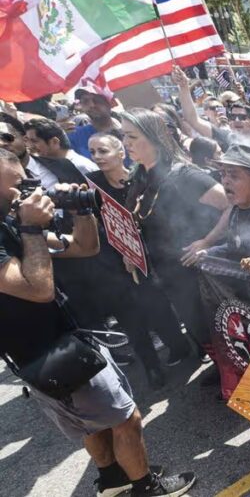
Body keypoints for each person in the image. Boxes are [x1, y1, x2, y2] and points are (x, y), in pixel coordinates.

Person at [0, 148, 195, 496]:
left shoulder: (7, 225)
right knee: (126, 418)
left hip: (59, 341)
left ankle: (113, 479)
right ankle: (146, 487)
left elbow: (82, 247)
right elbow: (39, 289)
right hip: (43, 351)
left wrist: (81, 209)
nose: (30, 190)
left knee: (92, 423)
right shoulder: (13, 231)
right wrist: (31, 226)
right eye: (18, 185)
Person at [86, 134, 193, 387]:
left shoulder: (139, 177)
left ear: (120, 152)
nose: (97, 157)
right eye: (93, 152)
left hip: (149, 254)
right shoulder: (91, 185)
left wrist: (137, 249)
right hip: (112, 263)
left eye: (103, 150)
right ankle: (151, 366)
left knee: (157, 304)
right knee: (129, 316)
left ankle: (178, 346)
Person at [123, 108, 229, 357]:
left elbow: (230, 206)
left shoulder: (184, 174)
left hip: (198, 272)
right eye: (123, 136)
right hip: (169, 273)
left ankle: (236, 375)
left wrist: (207, 241)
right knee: (197, 328)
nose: (125, 143)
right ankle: (222, 372)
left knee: (216, 326)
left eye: (132, 136)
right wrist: (132, 252)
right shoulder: (139, 177)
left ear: (154, 137)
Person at [24, 118, 98, 182]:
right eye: (28, 141)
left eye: (34, 141)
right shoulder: (40, 163)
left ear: (54, 142)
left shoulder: (82, 167)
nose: (30, 146)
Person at [68, 89, 121, 158]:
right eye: (85, 101)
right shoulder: (75, 136)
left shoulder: (129, 132)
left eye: (97, 100)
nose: (92, 105)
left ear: (111, 102)